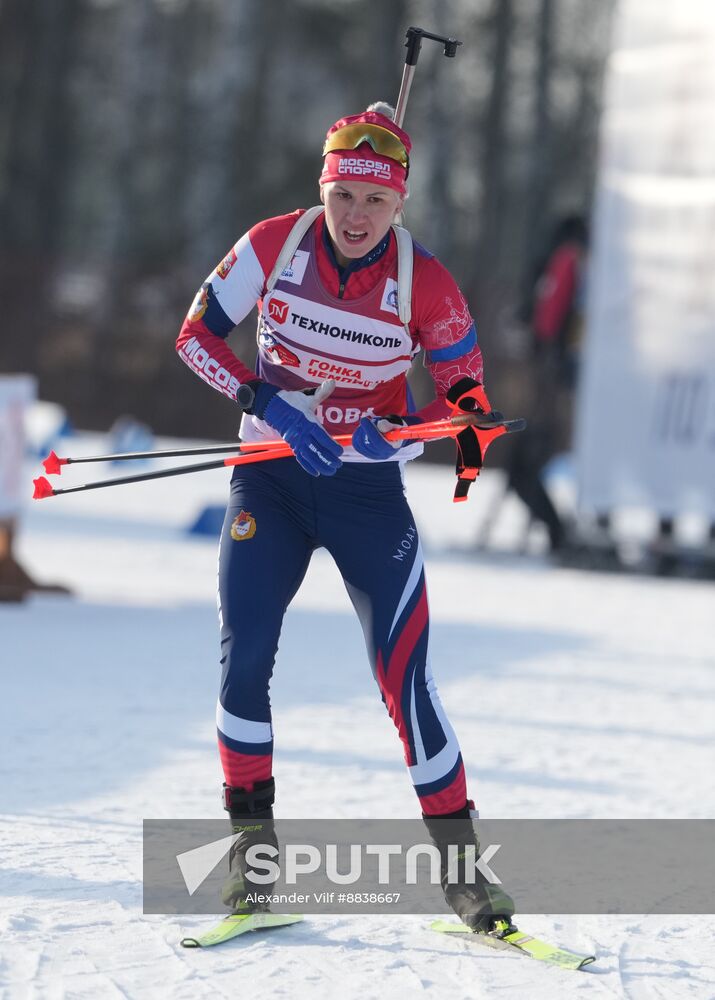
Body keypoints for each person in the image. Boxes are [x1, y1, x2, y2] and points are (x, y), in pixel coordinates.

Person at [176, 103, 514, 933]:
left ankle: (464, 875)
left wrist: (401, 430)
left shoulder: (425, 281)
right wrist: (268, 403)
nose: (356, 217)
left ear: (399, 204)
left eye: (375, 201)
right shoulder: (272, 244)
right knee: (243, 660)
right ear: (322, 189)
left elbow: (470, 409)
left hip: (365, 493)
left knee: (406, 680)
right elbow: (194, 337)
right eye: (343, 196)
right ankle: (252, 869)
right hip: (271, 479)